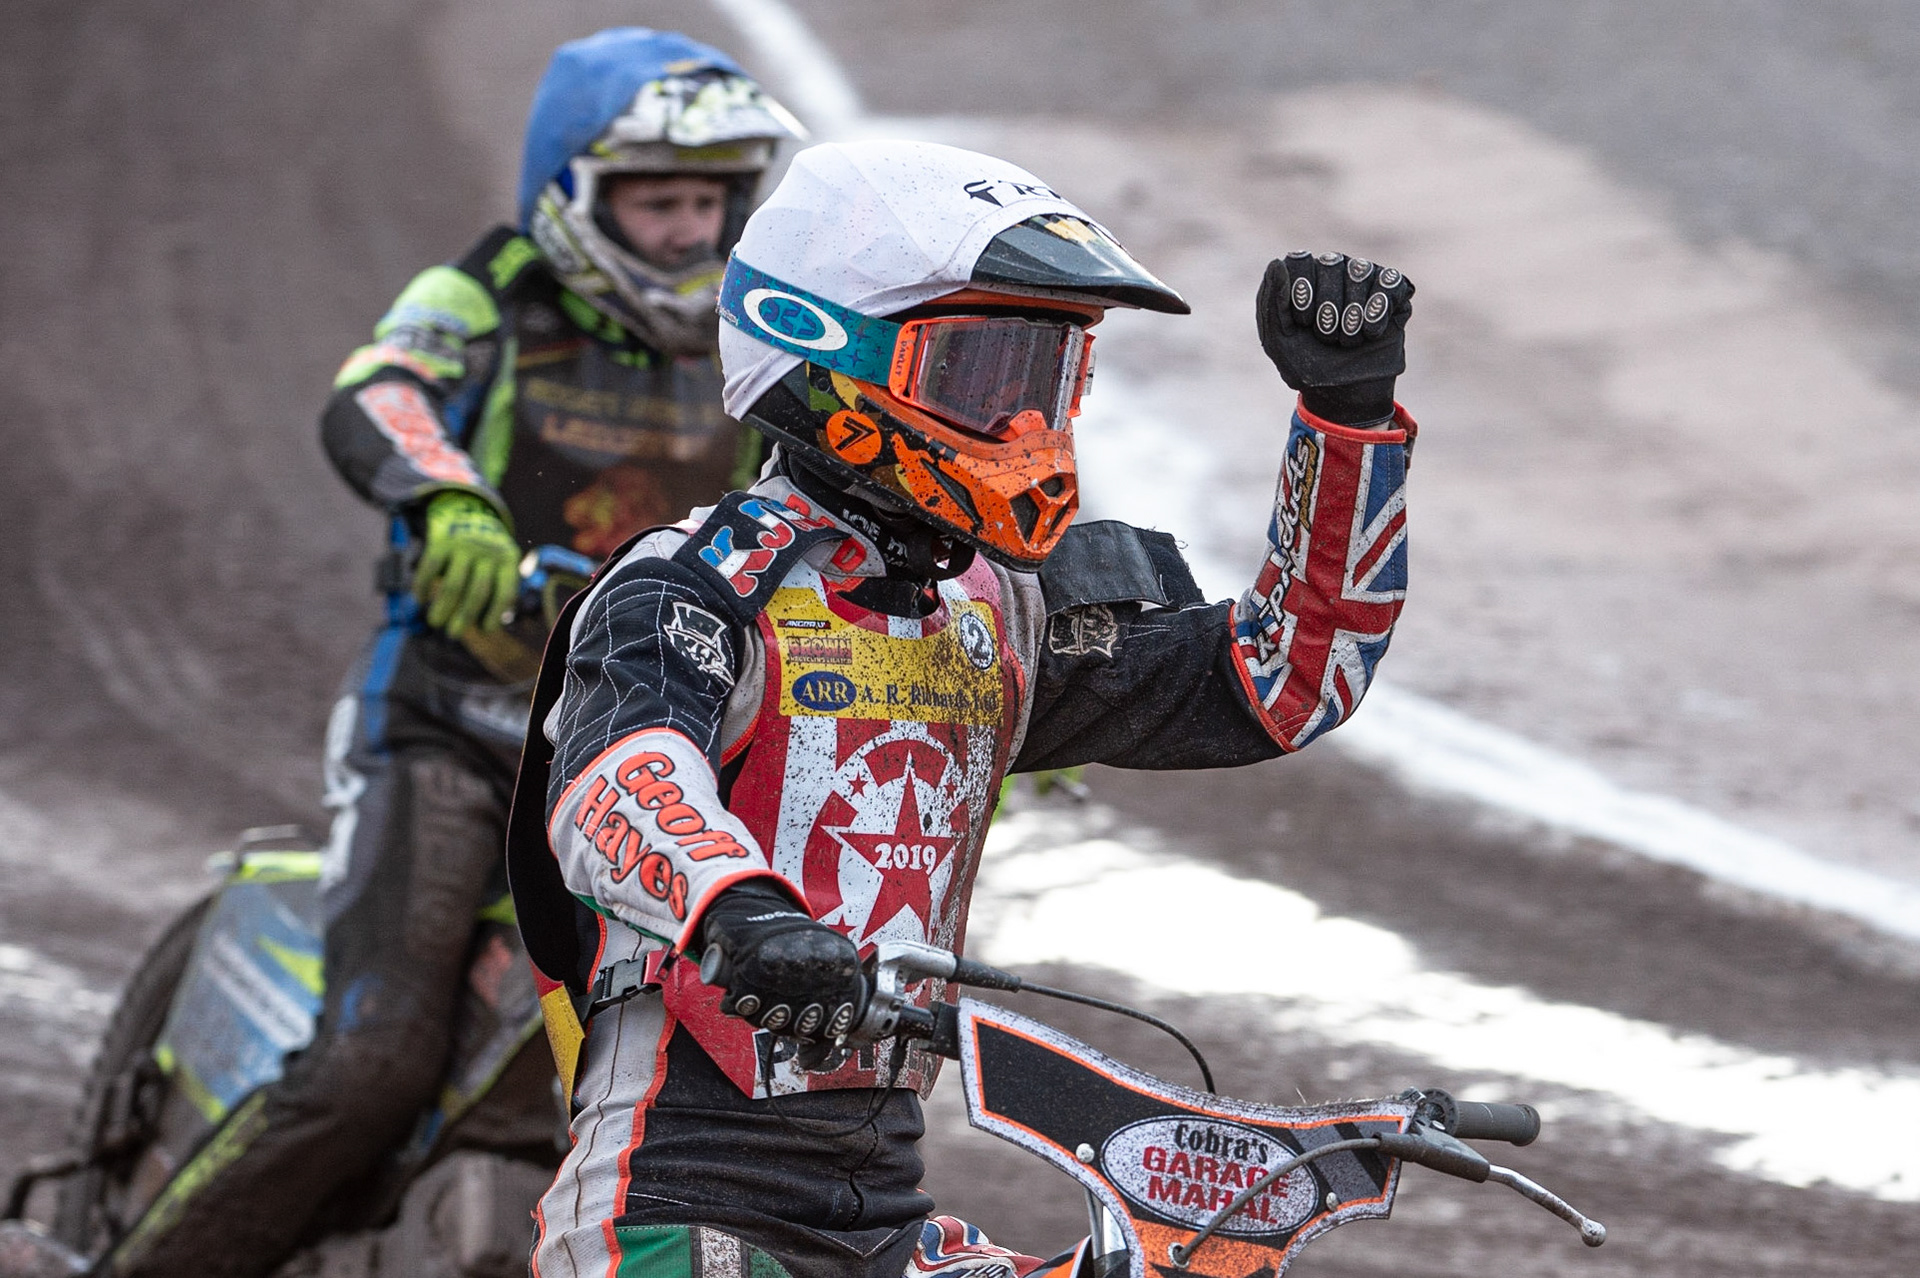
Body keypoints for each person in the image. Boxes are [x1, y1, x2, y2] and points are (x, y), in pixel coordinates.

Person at [505, 139, 1418, 1278]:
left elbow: (1287, 680)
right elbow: (613, 780)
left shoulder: (994, 614)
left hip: (883, 1211)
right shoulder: (689, 586)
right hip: (675, 1204)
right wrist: (743, 913)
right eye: (979, 376)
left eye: (1046, 377)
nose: (1024, 421)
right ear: (823, 353)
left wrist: (1345, 425)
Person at [103, 29, 803, 1278]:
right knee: (369, 1062)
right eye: (658, 200)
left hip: (656, 748)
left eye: (712, 198)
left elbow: (825, 506)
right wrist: (445, 498)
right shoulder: (486, 289)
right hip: (453, 728)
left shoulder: (759, 348)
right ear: (575, 192)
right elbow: (380, 387)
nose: (690, 230)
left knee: (759, 1065)